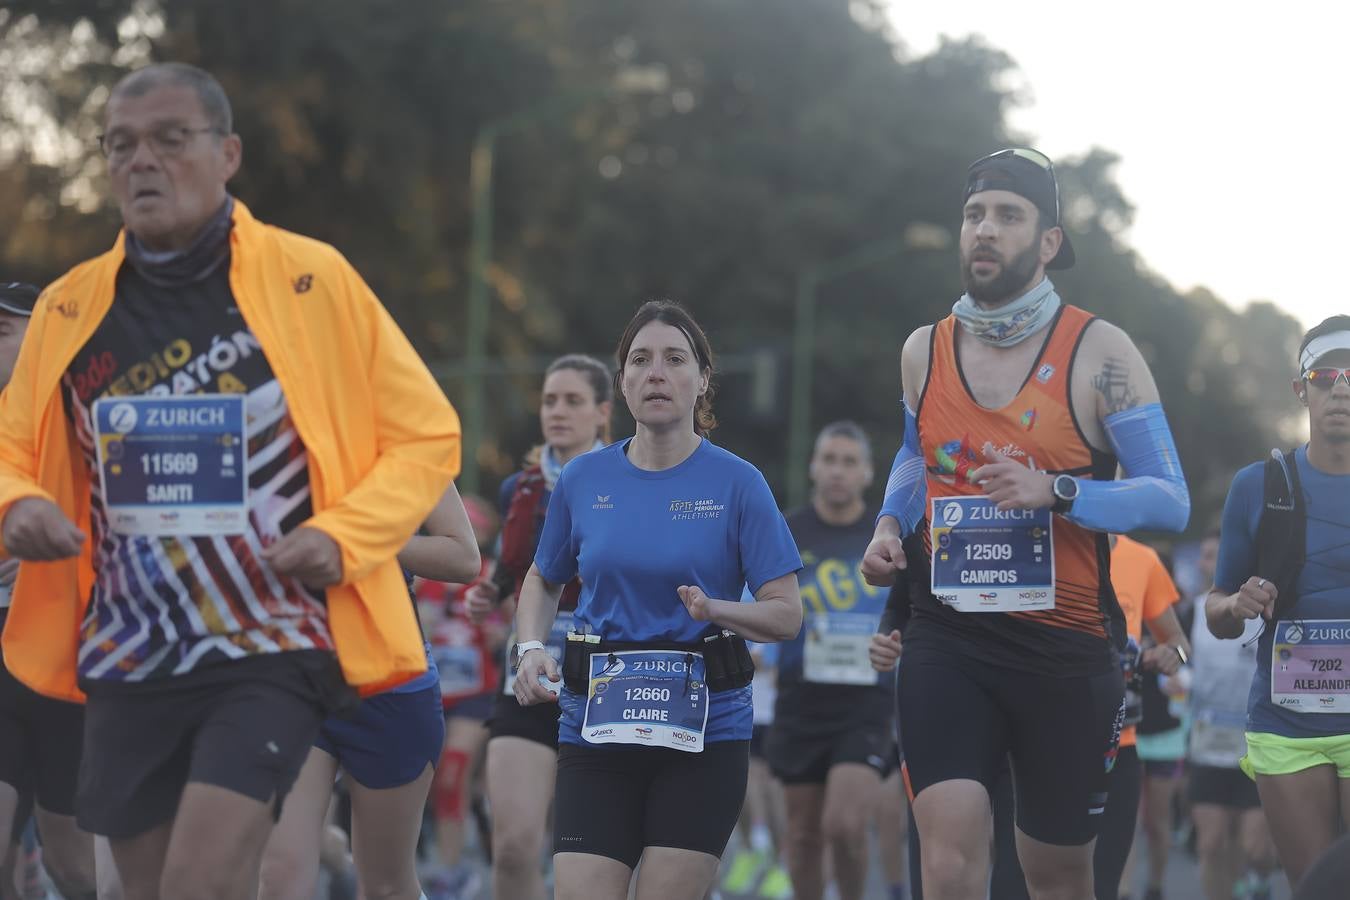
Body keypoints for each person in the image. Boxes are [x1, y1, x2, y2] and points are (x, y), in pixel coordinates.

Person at [0, 63, 460, 900]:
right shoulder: (72, 307)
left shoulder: (312, 280)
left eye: (171, 141)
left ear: (229, 154)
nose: (143, 161)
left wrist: (340, 535)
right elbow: (9, 446)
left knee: (199, 881)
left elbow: (424, 434)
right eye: (121, 145)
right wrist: (19, 503)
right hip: (129, 652)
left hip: (270, 644)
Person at [862, 147, 1190, 900]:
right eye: (975, 214)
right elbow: (915, 460)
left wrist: (1060, 494)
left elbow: (1169, 500)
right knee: (946, 860)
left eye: (1008, 216)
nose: (985, 229)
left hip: (1066, 650)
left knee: (1058, 875)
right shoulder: (925, 350)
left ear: (1048, 242)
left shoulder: (1100, 353)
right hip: (948, 636)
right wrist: (887, 526)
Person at [513, 300, 803, 900]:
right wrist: (532, 647)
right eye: (640, 360)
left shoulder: (739, 482)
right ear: (621, 383)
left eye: (675, 360)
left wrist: (718, 610)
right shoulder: (583, 481)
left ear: (701, 380)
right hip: (596, 728)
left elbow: (786, 613)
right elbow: (542, 578)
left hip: (702, 735)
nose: (656, 374)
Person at [257, 485, 481, 900]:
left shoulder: (402, 434)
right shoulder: (272, 431)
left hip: (391, 680)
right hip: (293, 676)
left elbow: (464, 558)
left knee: (385, 886)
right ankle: (333, 853)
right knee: (279, 876)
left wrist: (364, 537)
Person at [1206, 315, 1350, 888]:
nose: (1341, 388)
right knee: (1316, 886)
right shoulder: (1258, 484)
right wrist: (1236, 604)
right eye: (1326, 374)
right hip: (1288, 724)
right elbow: (1216, 611)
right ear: (1302, 389)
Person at [465, 353, 613, 900]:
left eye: (573, 401)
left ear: (602, 412)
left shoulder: (628, 477)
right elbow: (516, 566)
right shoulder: (519, 489)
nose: (557, 411)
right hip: (529, 669)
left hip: (608, 674)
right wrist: (492, 591)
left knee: (598, 853)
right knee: (513, 847)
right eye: (550, 400)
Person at [0, 282, 101, 900]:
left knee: (76, 865)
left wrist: (55, 553)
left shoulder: (84, 416)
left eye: (2, 331)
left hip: (67, 661)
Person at [768, 420, 895, 900]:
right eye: (829, 460)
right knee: (802, 834)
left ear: (867, 473)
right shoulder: (785, 530)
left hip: (868, 701)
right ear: (812, 467)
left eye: (849, 462)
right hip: (801, 697)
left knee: (844, 824)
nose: (838, 471)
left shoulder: (885, 536)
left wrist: (898, 643)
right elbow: (758, 602)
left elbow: (913, 610)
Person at [1093, 535, 1190, 900]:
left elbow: (1179, 643)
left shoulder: (1143, 559)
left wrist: (1170, 656)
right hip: (1053, 738)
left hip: (1122, 741)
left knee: (1108, 879)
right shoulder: (1049, 544)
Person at [1186, 530, 1276, 900]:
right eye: (1209, 556)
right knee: (1211, 844)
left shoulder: (1264, 614)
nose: (1215, 562)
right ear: (1201, 563)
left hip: (1256, 742)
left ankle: (1260, 880)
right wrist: (1177, 670)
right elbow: (1177, 654)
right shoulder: (1189, 610)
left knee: (1255, 847)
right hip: (1208, 741)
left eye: (1221, 555)